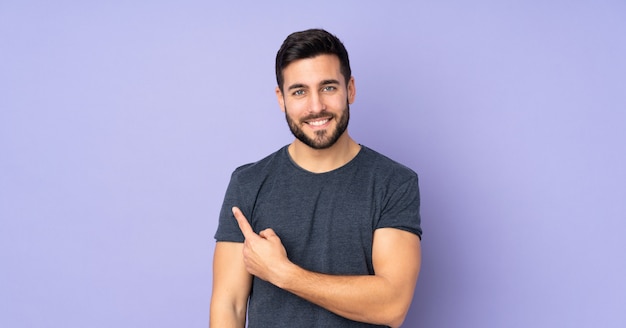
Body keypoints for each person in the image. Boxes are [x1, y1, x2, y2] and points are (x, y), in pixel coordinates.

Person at [210, 28, 422, 328]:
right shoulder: (248, 183)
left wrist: (284, 273)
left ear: (350, 89)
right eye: (299, 91)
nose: (315, 106)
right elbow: (228, 306)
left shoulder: (393, 183)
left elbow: (392, 305)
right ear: (281, 98)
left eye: (328, 88)